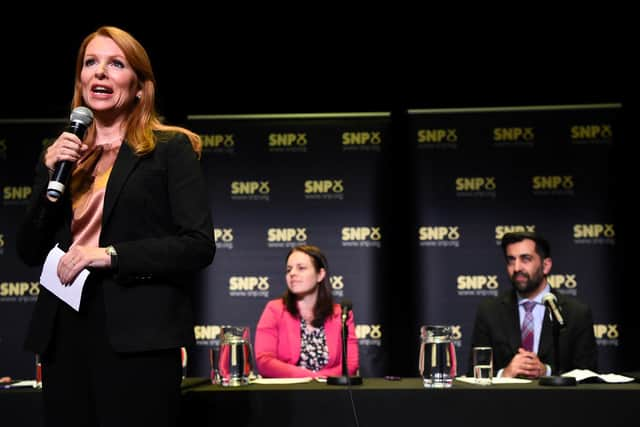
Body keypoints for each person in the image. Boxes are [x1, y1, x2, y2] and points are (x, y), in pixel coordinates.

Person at [16, 26, 215, 427]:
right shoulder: (62, 154)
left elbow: (197, 245)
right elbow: (29, 249)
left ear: (140, 86)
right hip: (65, 331)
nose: (100, 73)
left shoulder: (170, 149)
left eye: (115, 64)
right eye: (91, 63)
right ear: (80, 80)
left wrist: (110, 255)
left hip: (136, 335)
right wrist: (47, 172)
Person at [469, 232, 597, 378]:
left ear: (546, 266)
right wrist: (504, 374)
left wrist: (547, 372)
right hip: (504, 399)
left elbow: (588, 375)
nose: (516, 268)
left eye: (526, 259)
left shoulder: (576, 313)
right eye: (511, 260)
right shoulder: (489, 311)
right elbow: (473, 373)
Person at [255, 245, 359, 378]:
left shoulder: (342, 314)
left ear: (320, 274)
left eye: (301, 268)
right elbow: (265, 362)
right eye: (289, 269)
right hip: (286, 394)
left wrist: (319, 381)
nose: (292, 273)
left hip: (329, 393)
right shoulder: (274, 310)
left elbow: (350, 365)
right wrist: (311, 377)